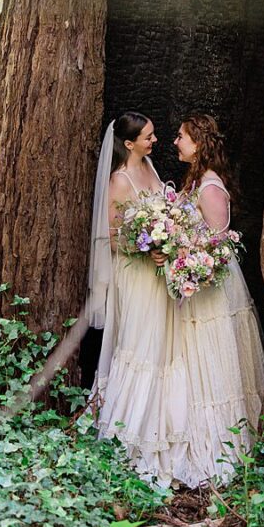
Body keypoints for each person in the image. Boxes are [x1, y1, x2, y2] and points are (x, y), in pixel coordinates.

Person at [163, 112, 264, 487]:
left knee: (213, 357)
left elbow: (218, 243)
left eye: (182, 136)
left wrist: (187, 261)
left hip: (211, 285)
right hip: (192, 281)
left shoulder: (210, 187)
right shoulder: (195, 181)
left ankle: (223, 443)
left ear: (199, 142)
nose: (176, 142)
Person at [86, 112, 179, 488]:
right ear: (128, 144)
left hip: (157, 273)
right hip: (135, 273)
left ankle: (159, 418)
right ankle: (127, 424)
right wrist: (147, 248)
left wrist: (169, 237)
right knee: (139, 344)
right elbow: (112, 235)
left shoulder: (152, 169)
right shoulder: (119, 180)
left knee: (159, 345)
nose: (154, 140)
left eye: (154, 134)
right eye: (147, 137)